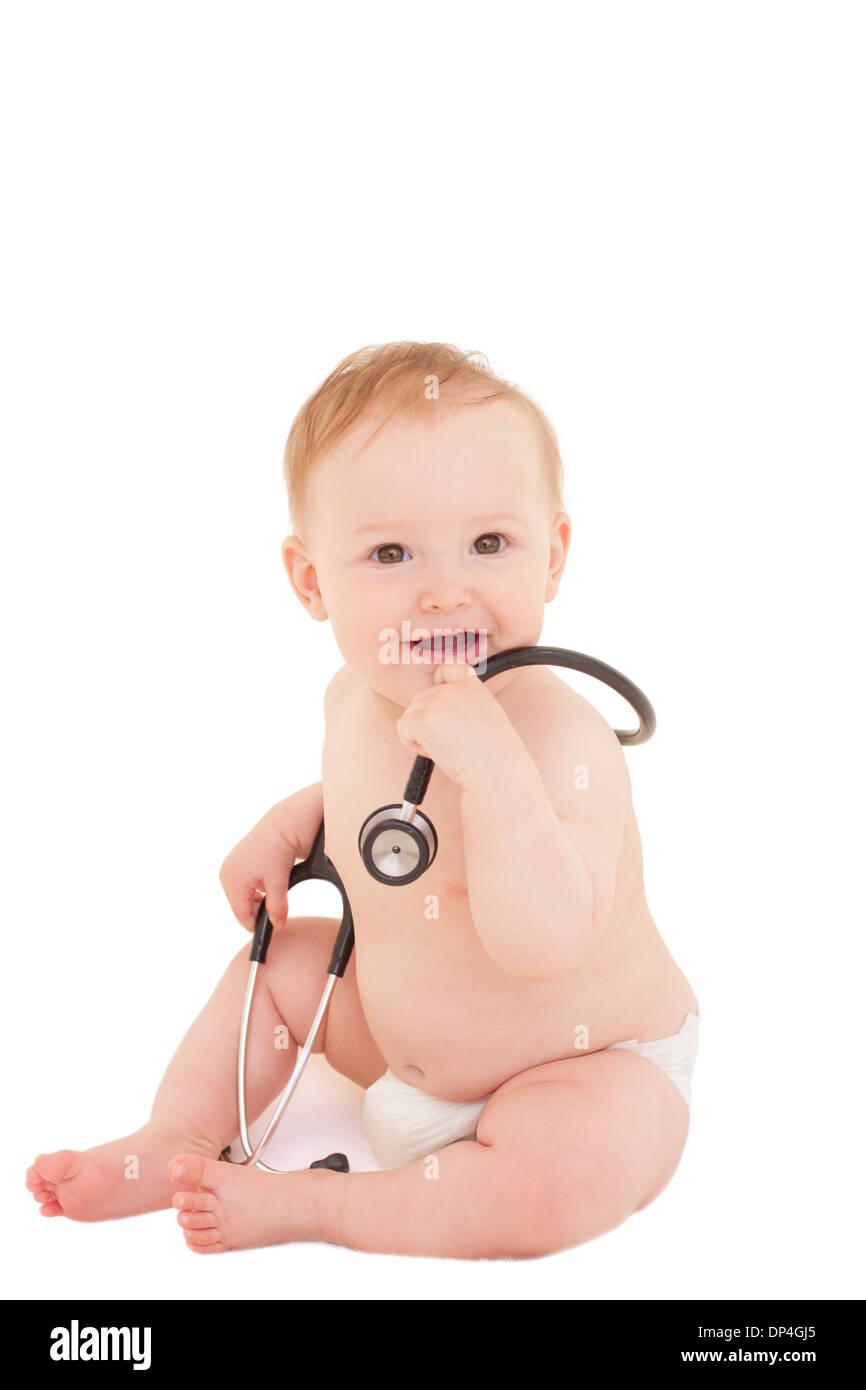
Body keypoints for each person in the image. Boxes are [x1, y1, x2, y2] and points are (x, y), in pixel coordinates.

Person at [26, 341, 699, 1259]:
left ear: (554, 557)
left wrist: (493, 770)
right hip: (399, 1042)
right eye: (390, 553)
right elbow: (369, 800)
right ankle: (173, 1139)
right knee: (279, 968)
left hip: (576, 1068)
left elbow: (545, 943)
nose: (444, 590)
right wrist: (291, 824)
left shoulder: (561, 740)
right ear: (311, 582)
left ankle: (316, 1207)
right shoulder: (355, 696)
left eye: (490, 543)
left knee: (570, 1171)